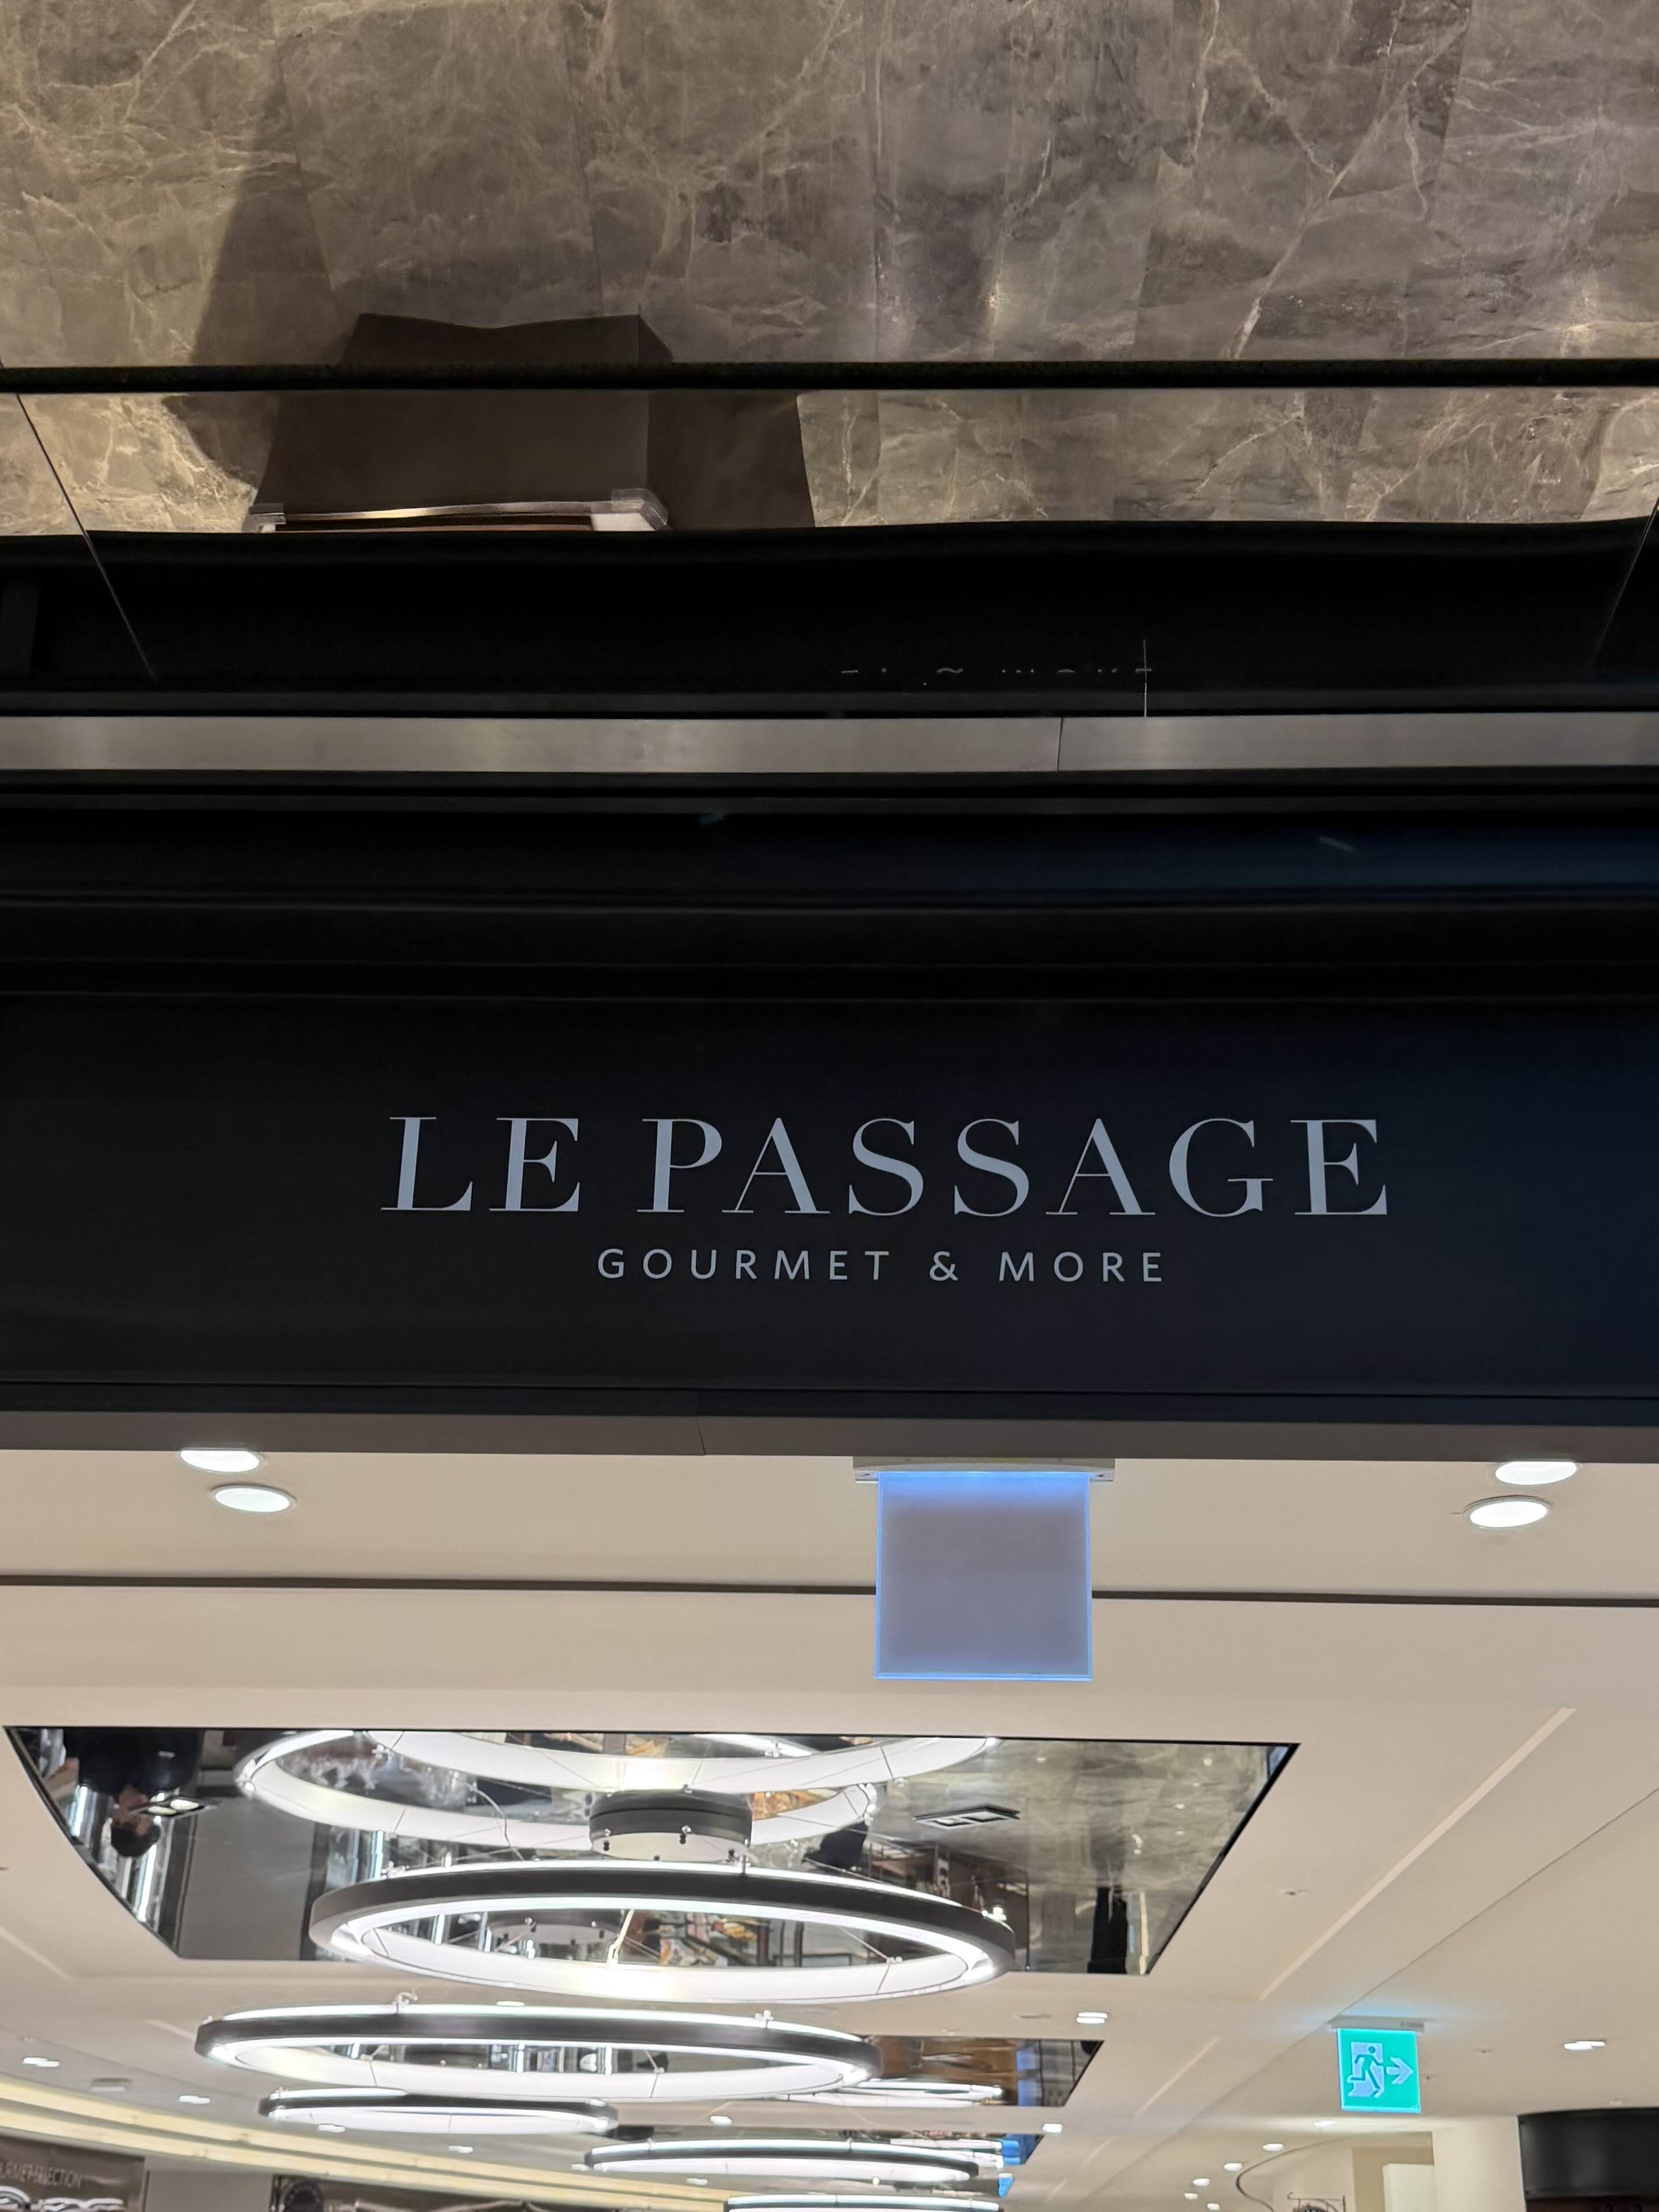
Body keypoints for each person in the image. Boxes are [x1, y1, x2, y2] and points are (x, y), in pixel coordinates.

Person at [47, 1729, 204, 1861]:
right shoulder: (177, 1775)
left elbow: (74, 1728)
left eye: (134, 1819)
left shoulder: (91, 1775)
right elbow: (191, 1725)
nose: (142, 1813)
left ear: (115, 1820)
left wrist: (72, 1760)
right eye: (147, 1818)